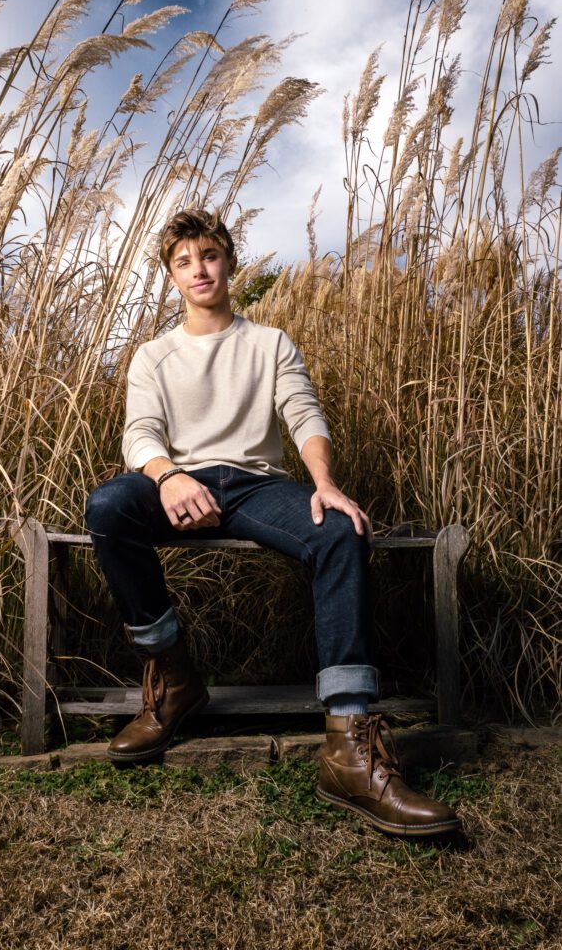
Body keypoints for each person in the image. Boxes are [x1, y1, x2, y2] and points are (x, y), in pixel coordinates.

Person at [85, 208, 460, 838]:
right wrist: (170, 476)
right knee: (107, 506)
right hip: (180, 486)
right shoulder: (154, 356)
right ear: (172, 278)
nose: (198, 270)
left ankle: (347, 746)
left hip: (258, 487)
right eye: (184, 262)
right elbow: (141, 433)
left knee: (339, 530)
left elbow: (304, 416)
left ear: (229, 261)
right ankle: (176, 681)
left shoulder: (270, 342)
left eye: (208, 256)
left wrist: (325, 485)